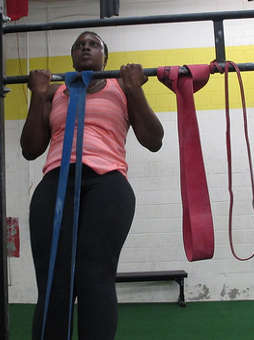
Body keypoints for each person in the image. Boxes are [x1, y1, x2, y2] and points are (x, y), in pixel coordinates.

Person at [21, 31, 164, 340]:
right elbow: (30, 149)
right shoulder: (55, 93)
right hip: (56, 183)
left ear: (105, 57)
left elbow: (153, 140)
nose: (85, 47)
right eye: (79, 44)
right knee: (54, 281)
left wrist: (135, 89)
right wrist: (38, 94)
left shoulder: (122, 88)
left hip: (107, 183)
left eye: (93, 44)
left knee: (94, 276)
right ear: (73, 55)